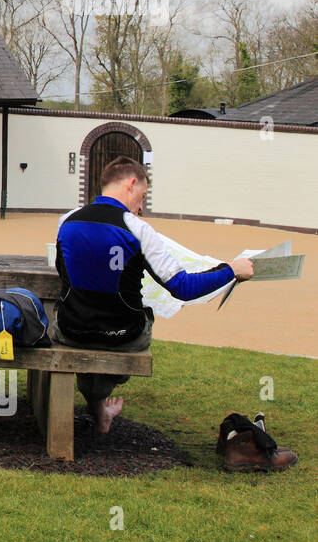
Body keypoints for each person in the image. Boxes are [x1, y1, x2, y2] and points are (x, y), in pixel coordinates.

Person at [53, 156, 256, 434]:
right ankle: (101, 405)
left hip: (70, 330)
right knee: (134, 317)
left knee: (92, 317)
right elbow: (182, 288)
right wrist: (231, 270)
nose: (141, 207)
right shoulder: (138, 229)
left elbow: (64, 273)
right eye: (143, 196)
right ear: (132, 183)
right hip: (123, 335)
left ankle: (99, 410)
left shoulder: (67, 221)